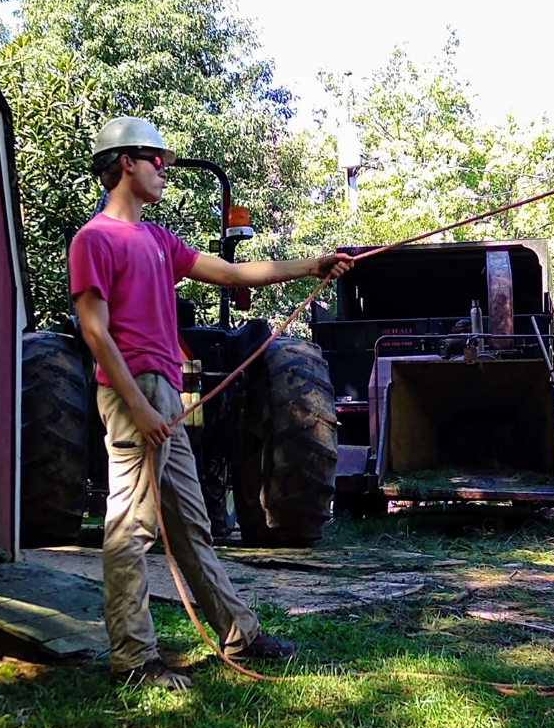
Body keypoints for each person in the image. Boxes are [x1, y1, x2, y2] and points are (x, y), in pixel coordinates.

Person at [68, 116, 354, 692]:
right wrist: (140, 408)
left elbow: (228, 271)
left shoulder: (156, 240)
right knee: (129, 527)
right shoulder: (93, 240)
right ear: (126, 162)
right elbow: (95, 333)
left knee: (193, 525)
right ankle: (134, 659)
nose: (164, 171)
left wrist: (311, 264)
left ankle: (238, 633)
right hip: (134, 395)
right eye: (158, 161)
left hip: (164, 394)